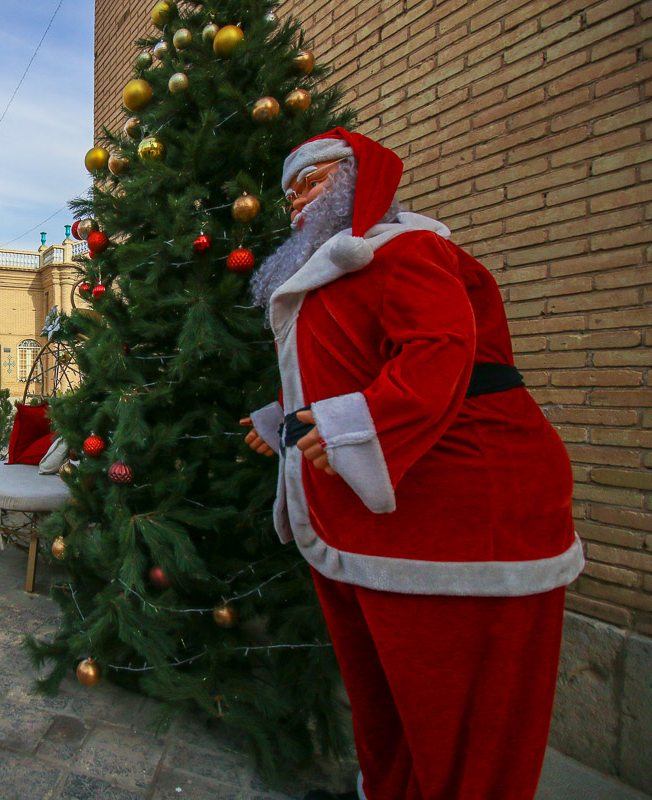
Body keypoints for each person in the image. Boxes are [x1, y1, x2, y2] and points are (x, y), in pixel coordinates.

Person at [240, 128, 583, 800]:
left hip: (461, 521)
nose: (295, 202)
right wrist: (286, 419)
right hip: (369, 518)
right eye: (289, 192)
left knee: (459, 722)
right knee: (387, 705)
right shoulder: (331, 274)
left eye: (311, 182)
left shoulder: (410, 250)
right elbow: (346, 366)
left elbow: (438, 355)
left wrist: (340, 428)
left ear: (355, 181)